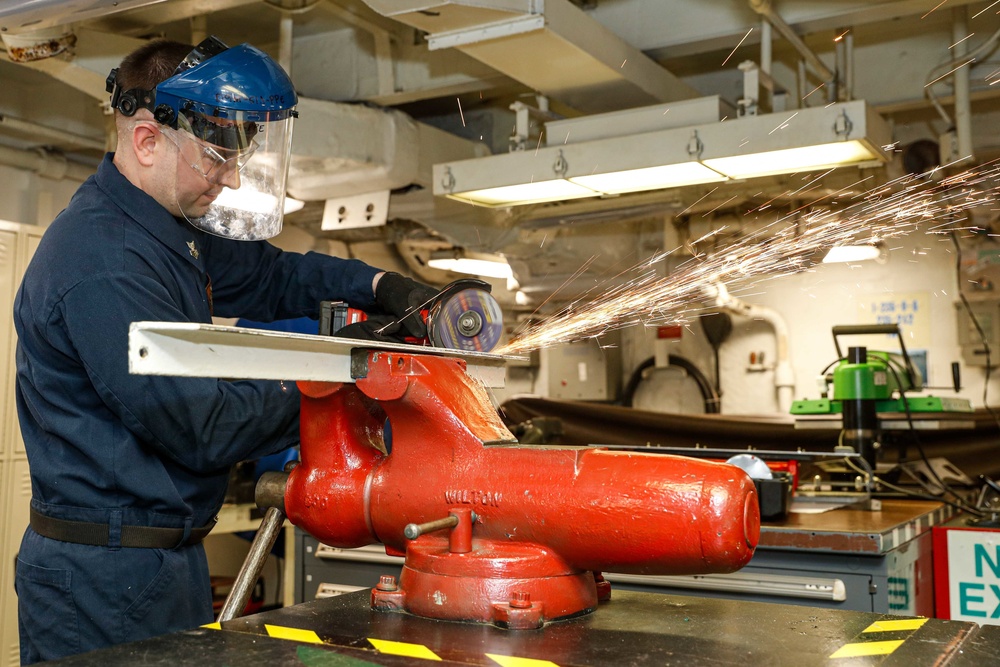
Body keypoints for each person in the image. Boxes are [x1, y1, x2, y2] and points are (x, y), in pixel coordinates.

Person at [12, 36, 436, 664]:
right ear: (148, 140)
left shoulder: (163, 231)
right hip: (102, 579)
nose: (231, 177)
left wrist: (381, 287)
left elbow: (270, 276)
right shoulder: (104, 262)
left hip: (156, 562)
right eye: (215, 156)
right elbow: (200, 427)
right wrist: (338, 369)